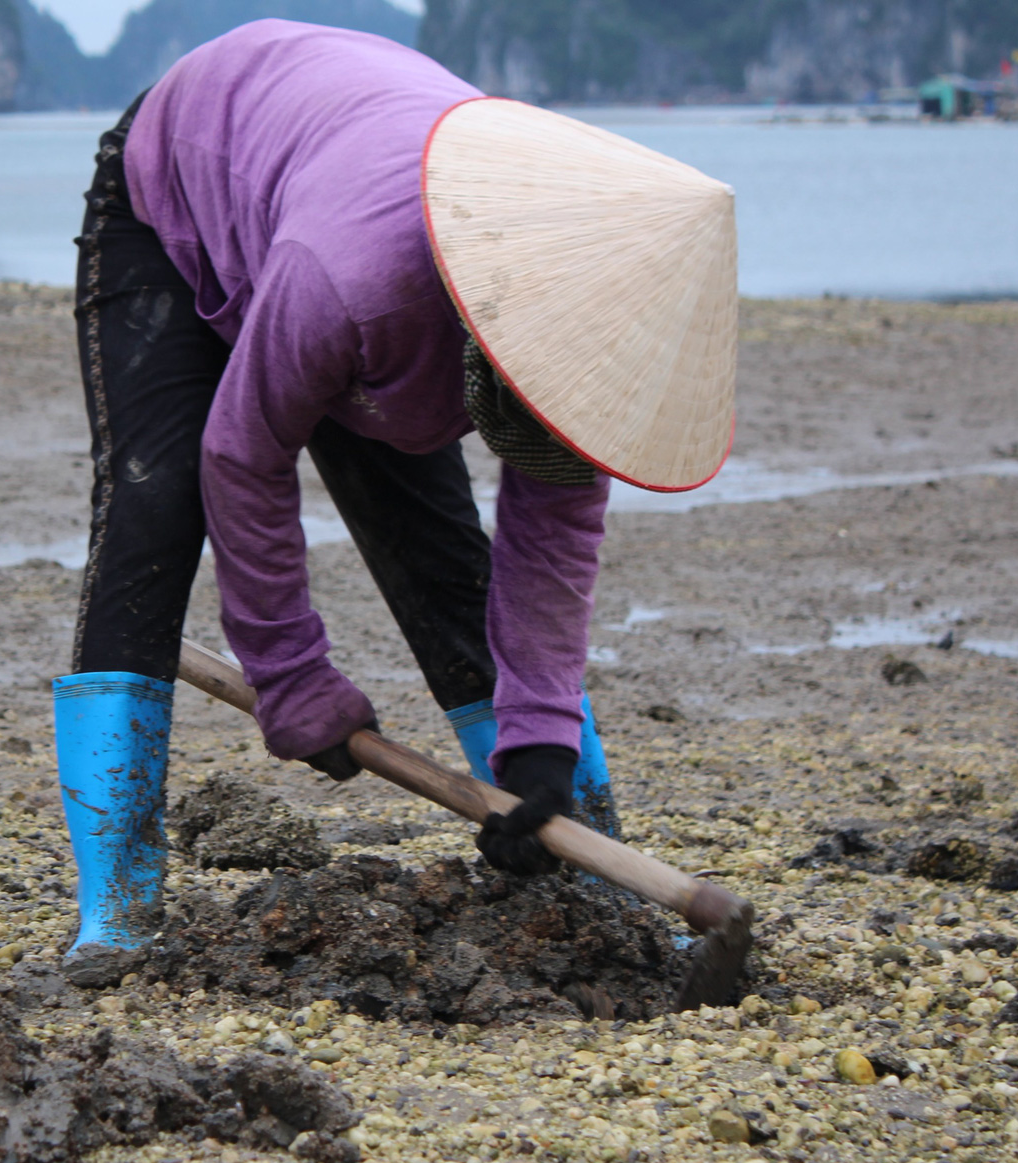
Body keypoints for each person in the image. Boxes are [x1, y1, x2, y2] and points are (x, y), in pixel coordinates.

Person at [50, 21, 736, 974]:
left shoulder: (577, 306)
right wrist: (289, 676)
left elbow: (552, 531)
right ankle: (116, 911)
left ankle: (594, 880)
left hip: (346, 225)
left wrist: (539, 748)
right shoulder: (354, 282)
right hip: (188, 184)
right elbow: (242, 455)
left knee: (443, 562)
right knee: (154, 512)